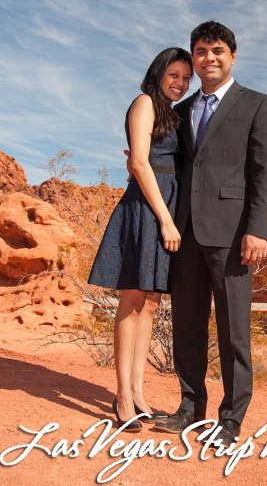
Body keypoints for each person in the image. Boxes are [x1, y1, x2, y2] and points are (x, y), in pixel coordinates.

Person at [154, 21, 267, 444]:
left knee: (233, 332)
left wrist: (257, 230)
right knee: (187, 326)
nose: (209, 58)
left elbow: (265, 171)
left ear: (232, 56)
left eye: (217, 50)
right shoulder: (183, 109)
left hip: (233, 235)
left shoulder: (257, 104)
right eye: (201, 51)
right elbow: (172, 161)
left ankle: (231, 419)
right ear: (194, 57)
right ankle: (190, 407)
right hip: (185, 233)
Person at [88, 47, 192, 432]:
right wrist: (165, 219)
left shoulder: (172, 114)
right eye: (174, 75)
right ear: (159, 72)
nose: (180, 83)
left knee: (150, 303)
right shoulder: (145, 103)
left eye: (186, 78)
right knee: (132, 301)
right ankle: (122, 396)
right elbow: (140, 162)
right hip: (148, 209)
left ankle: (138, 391)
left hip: (166, 207)